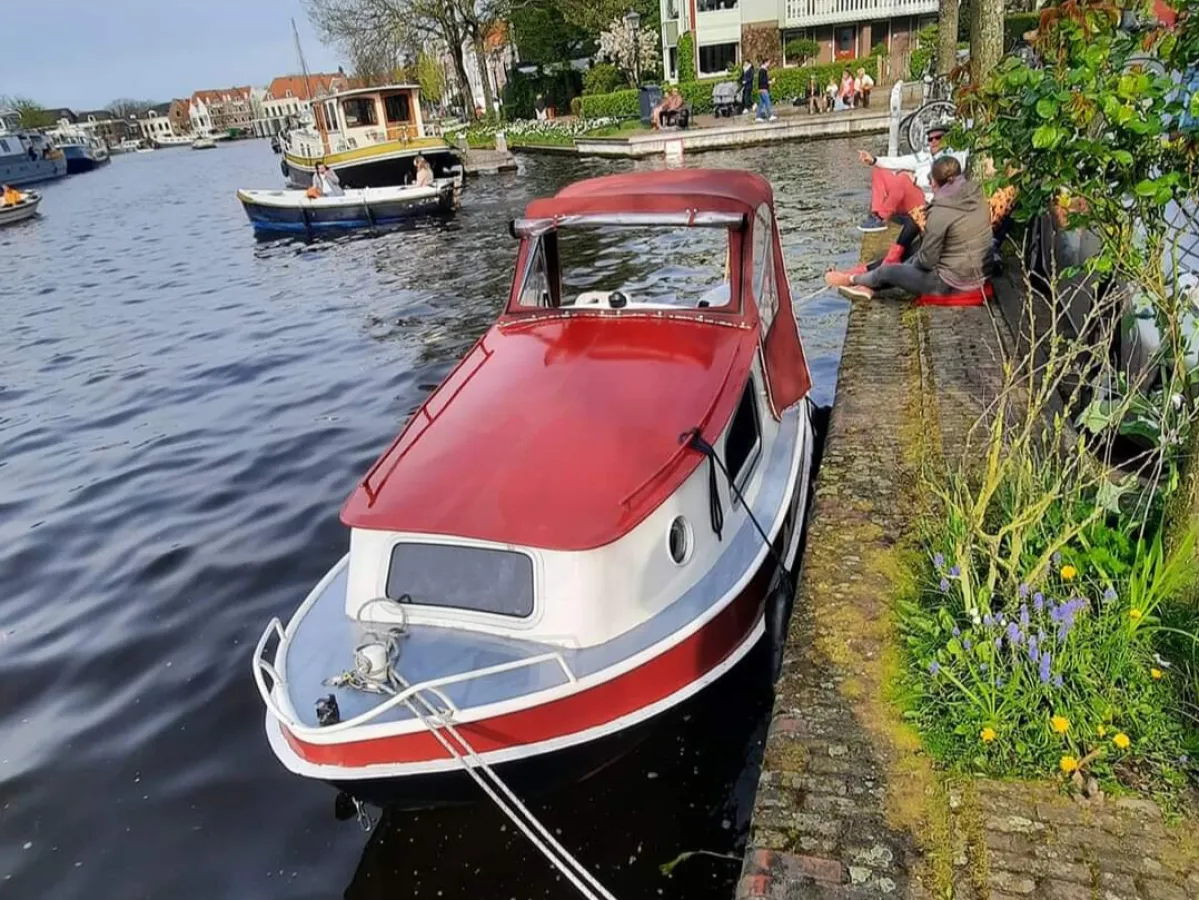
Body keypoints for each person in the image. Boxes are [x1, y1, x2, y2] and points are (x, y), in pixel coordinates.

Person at [824, 156, 992, 300]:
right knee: (912, 255)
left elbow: (927, 261)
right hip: (979, 276)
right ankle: (868, 284)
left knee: (890, 271)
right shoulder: (978, 198)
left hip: (951, 285)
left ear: (935, 183)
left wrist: (907, 266)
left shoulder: (940, 212)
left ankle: (852, 280)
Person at [855, 124, 968, 231]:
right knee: (879, 170)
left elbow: (940, 179)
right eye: (930, 139)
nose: (933, 141)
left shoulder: (951, 158)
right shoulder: (924, 156)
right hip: (913, 199)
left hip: (928, 202)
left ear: (946, 139)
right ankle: (876, 214)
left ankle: (881, 217)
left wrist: (915, 179)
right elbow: (899, 161)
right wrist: (873, 160)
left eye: (938, 138)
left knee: (904, 178)